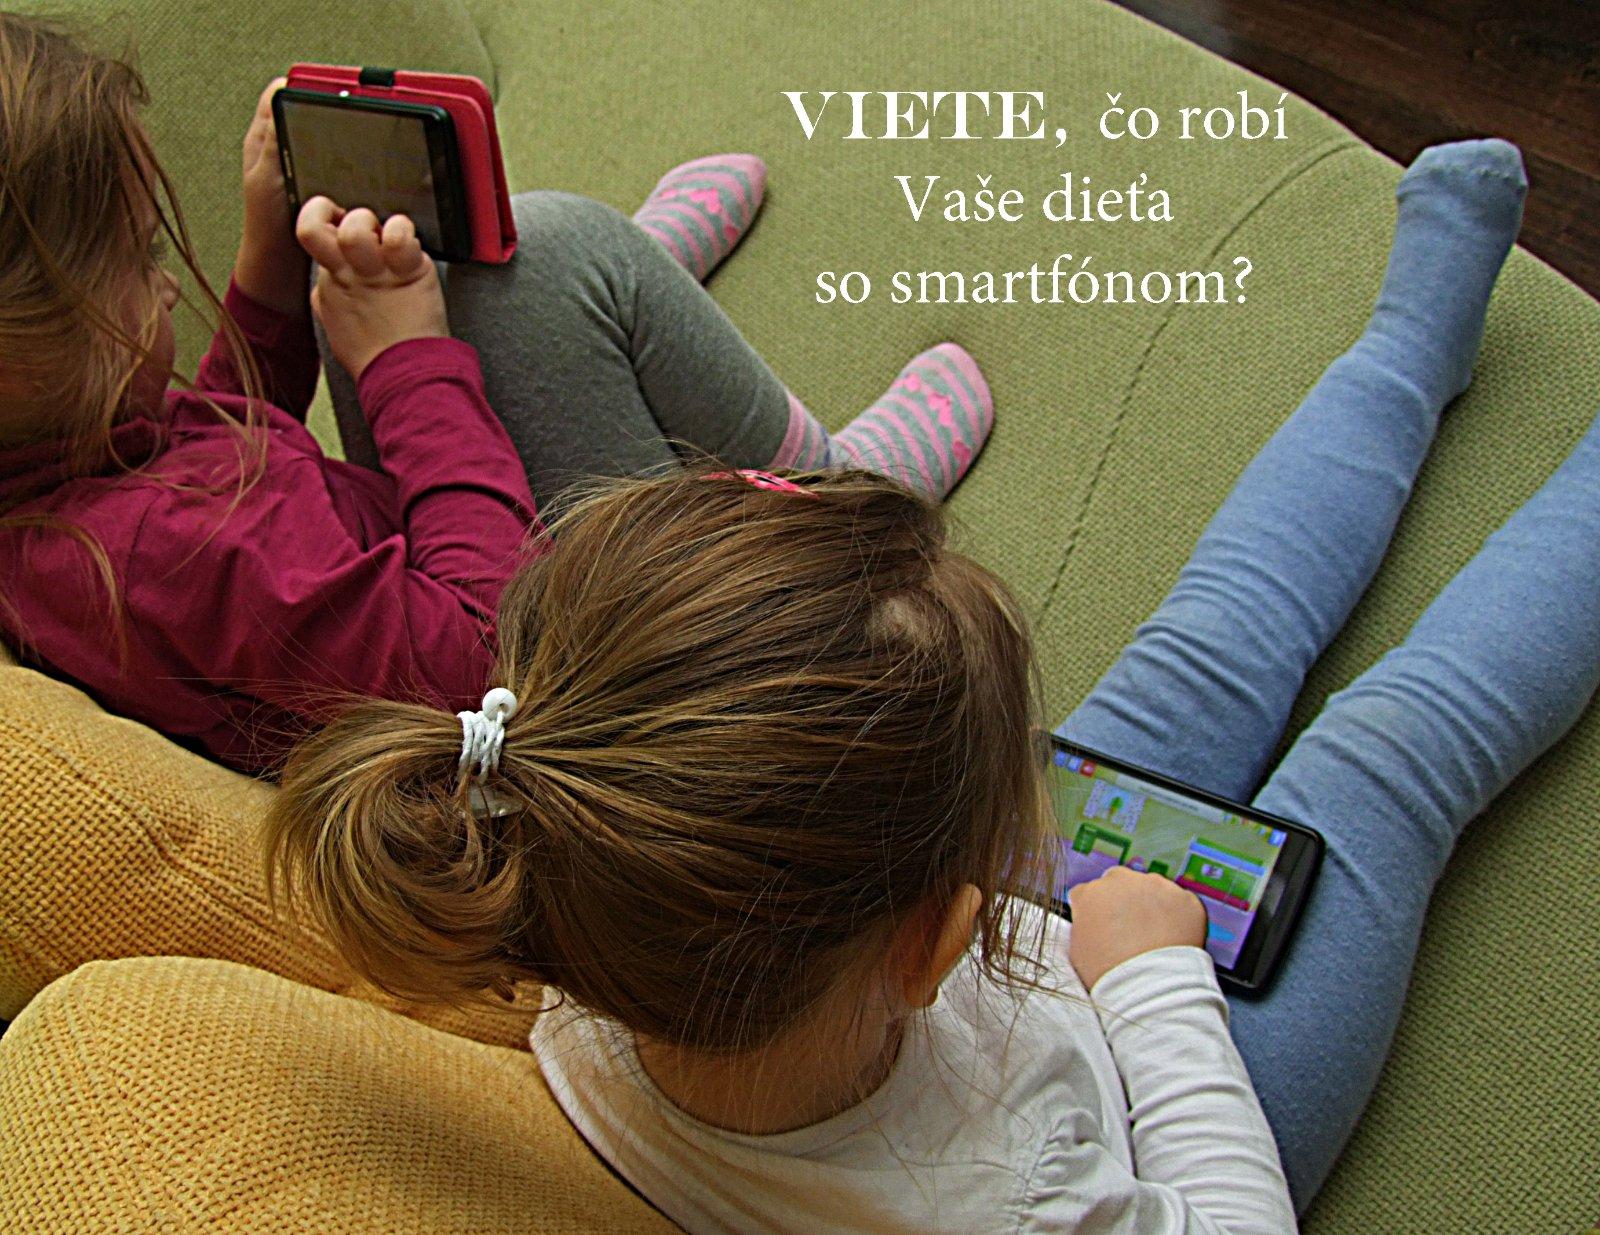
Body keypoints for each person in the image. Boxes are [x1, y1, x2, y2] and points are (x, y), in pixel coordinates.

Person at [266, 137, 1598, 1232]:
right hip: (1158, 1084)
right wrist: (1153, 983)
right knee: (1393, 750)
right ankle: (1410, 360)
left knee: (1212, 632)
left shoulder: (592, 897)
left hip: (930, 949)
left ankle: (1405, 352)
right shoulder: (1020, 1207)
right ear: (938, 933)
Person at [0, 13, 990, 773]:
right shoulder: (177, 556)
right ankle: (830, 494)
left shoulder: (67, 479)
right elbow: (494, 652)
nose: (167, 284)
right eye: (140, 259)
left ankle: (607, 318)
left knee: (384, 275)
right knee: (553, 256)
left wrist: (267, 264)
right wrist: (407, 364)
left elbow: (216, 452)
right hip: (590, 688)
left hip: (456, 598)